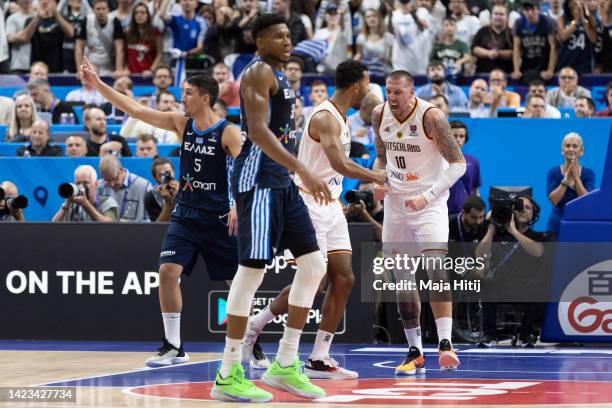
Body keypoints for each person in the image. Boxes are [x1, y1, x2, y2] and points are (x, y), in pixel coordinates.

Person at [79, 59, 244, 369]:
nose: (182, 98)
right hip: (186, 214)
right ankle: (174, 345)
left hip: (219, 217)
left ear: (205, 97)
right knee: (168, 271)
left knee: (235, 283)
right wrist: (99, 85)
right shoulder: (182, 123)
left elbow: (245, 169)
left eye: (188, 92)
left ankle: (250, 340)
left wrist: (237, 203)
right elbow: (136, 111)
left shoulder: (228, 132)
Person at [242, 60, 386, 378]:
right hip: (308, 203)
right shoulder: (325, 117)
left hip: (331, 203)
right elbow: (340, 163)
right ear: (357, 87)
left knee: (344, 279)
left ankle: (319, 357)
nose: (371, 91)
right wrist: (378, 176)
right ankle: (255, 326)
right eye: (368, 84)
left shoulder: (341, 117)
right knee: (315, 281)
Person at [214, 14, 332, 402]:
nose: (286, 41)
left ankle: (284, 363)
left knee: (314, 265)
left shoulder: (283, 76)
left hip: (282, 183)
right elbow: (259, 132)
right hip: (259, 181)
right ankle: (228, 372)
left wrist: (296, 174)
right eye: (277, 36)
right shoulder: (256, 73)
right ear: (258, 40)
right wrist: (303, 170)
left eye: (288, 35)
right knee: (251, 273)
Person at [372, 70, 466, 375]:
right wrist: (378, 178)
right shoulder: (379, 114)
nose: (392, 98)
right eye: (388, 91)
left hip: (430, 202)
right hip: (396, 203)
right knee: (402, 277)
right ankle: (415, 350)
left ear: (412, 92)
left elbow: (458, 165)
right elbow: (381, 157)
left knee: (436, 266)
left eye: (398, 92)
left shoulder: (432, 117)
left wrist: (428, 196)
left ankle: (445, 343)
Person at [475, 195, 547, 347]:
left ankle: (525, 334)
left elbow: (538, 252)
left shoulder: (538, 236)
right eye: (520, 208)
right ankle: (490, 335)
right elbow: (480, 255)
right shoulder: (498, 235)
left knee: (540, 286)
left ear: (534, 213)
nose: (523, 211)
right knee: (487, 281)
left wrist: (514, 232)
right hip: (501, 285)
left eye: (528, 208)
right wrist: (492, 227)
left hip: (526, 287)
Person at [546, 132, 595, 239]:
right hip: (556, 227)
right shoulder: (553, 172)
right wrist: (566, 179)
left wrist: (576, 179)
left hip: (580, 226)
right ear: (562, 150)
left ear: (581, 151)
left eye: (575, 146)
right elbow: (554, 200)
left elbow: (587, 201)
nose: (571, 149)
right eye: (567, 146)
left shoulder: (589, 174)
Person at [75, 0, 127, 77]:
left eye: (103, 8)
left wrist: (118, 69)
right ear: (93, 10)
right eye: (98, 9)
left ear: (108, 9)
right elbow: (78, 47)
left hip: (108, 66)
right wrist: (79, 69)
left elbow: (119, 48)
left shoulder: (114, 21)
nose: (101, 12)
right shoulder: (86, 21)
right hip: (90, 65)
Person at [52, 164, 118, 222]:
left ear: (96, 184)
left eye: (85, 183)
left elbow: (109, 226)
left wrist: (86, 205)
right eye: (78, 183)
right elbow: (53, 228)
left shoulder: (107, 202)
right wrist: (66, 205)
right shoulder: (73, 205)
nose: (81, 186)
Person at [511, 0, 557, 83]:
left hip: (544, 65)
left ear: (538, 10)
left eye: (532, 9)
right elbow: (516, 48)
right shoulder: (518, 23)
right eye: (526, 10)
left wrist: (550, 70)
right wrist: (516, 70)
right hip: (526, 66)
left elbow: (553, 47)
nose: (530, 13)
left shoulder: (548, 22)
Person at [447, 121, 481, 215]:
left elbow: (475, 191)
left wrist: (479, 210)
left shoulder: (473, 162)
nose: (458, 139)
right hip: (443, 213)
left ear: (465, 139)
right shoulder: (439, 161)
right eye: (454, 136)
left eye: (461, 136)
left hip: (465, 215)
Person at [555, 0, 597, 74]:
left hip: (584, 66)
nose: (576, 8)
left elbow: (593, 39)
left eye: (577, 5)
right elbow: (563, 37)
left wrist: (583, 20)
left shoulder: (589, 19)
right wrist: (576, 21)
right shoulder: (561, 19)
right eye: (573, 6)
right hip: (565, 63)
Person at [472, 3, 514, 74]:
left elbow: (516, 52)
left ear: (507, 17)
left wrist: (499, 54)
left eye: (501, 14)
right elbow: (474, 49)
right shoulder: (482, 31)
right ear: (491, 16)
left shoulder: (512, 33)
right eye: (496, 14)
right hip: (483, 72)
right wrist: (488, 53)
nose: (498, 16)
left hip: (506, 73)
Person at [126, 3, 163, 76]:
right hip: (131, 74)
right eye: (136, 13)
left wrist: (151, 70)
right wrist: (126, 68)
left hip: (148, 74)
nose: (139, 15)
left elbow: (160, 54)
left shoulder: (155, 32)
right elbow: (125, 55)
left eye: (143, 12)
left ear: (148, 15)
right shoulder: (128, 32)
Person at [144, 157, 180, 222]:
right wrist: (168, 202)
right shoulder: (152, 196)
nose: (166, 176)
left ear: (174, 171)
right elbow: (158, 226)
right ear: (155, 177)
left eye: (168, 173)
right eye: (161, 175)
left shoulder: (186, 190)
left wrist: (179, 196)